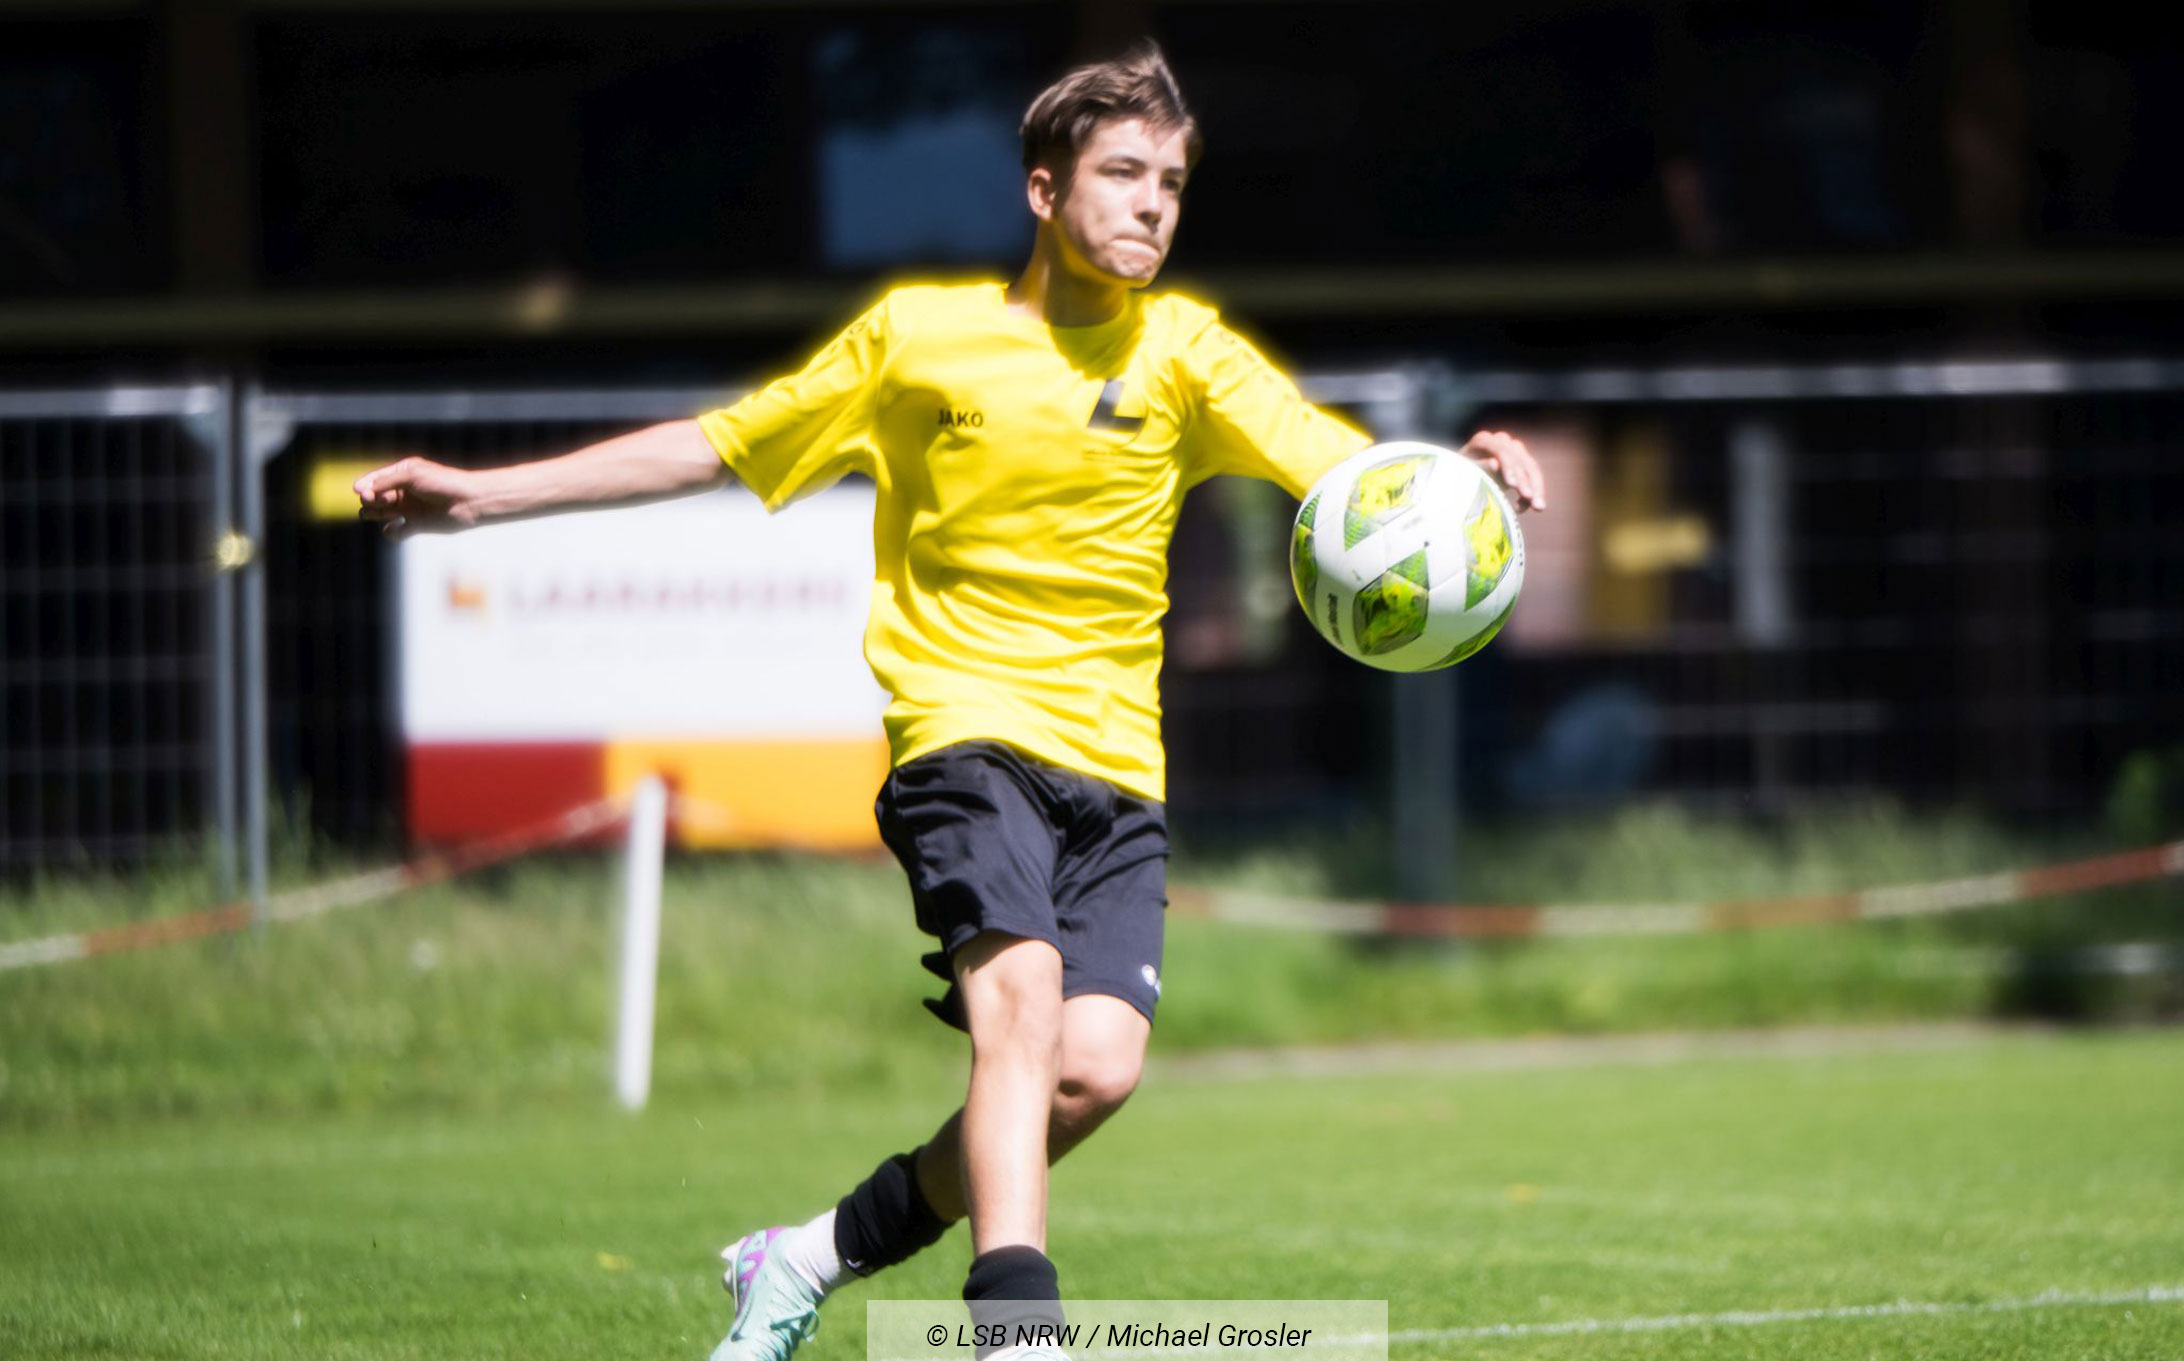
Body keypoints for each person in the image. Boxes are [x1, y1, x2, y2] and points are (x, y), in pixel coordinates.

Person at [355, 40, 1545, 1361]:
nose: (1152, 205)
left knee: (1086, 1072)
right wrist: (482, 496)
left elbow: (1354, 481)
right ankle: (1013, 1334)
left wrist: (1463, 475)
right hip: (964, 739)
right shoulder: (919, 339)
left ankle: (805, 1252)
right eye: (1123, 175)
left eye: (1172, 184)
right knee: (1019, 1010)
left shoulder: (1188, 352)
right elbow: (714, 445)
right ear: (1044, 192)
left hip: (1119, 772)